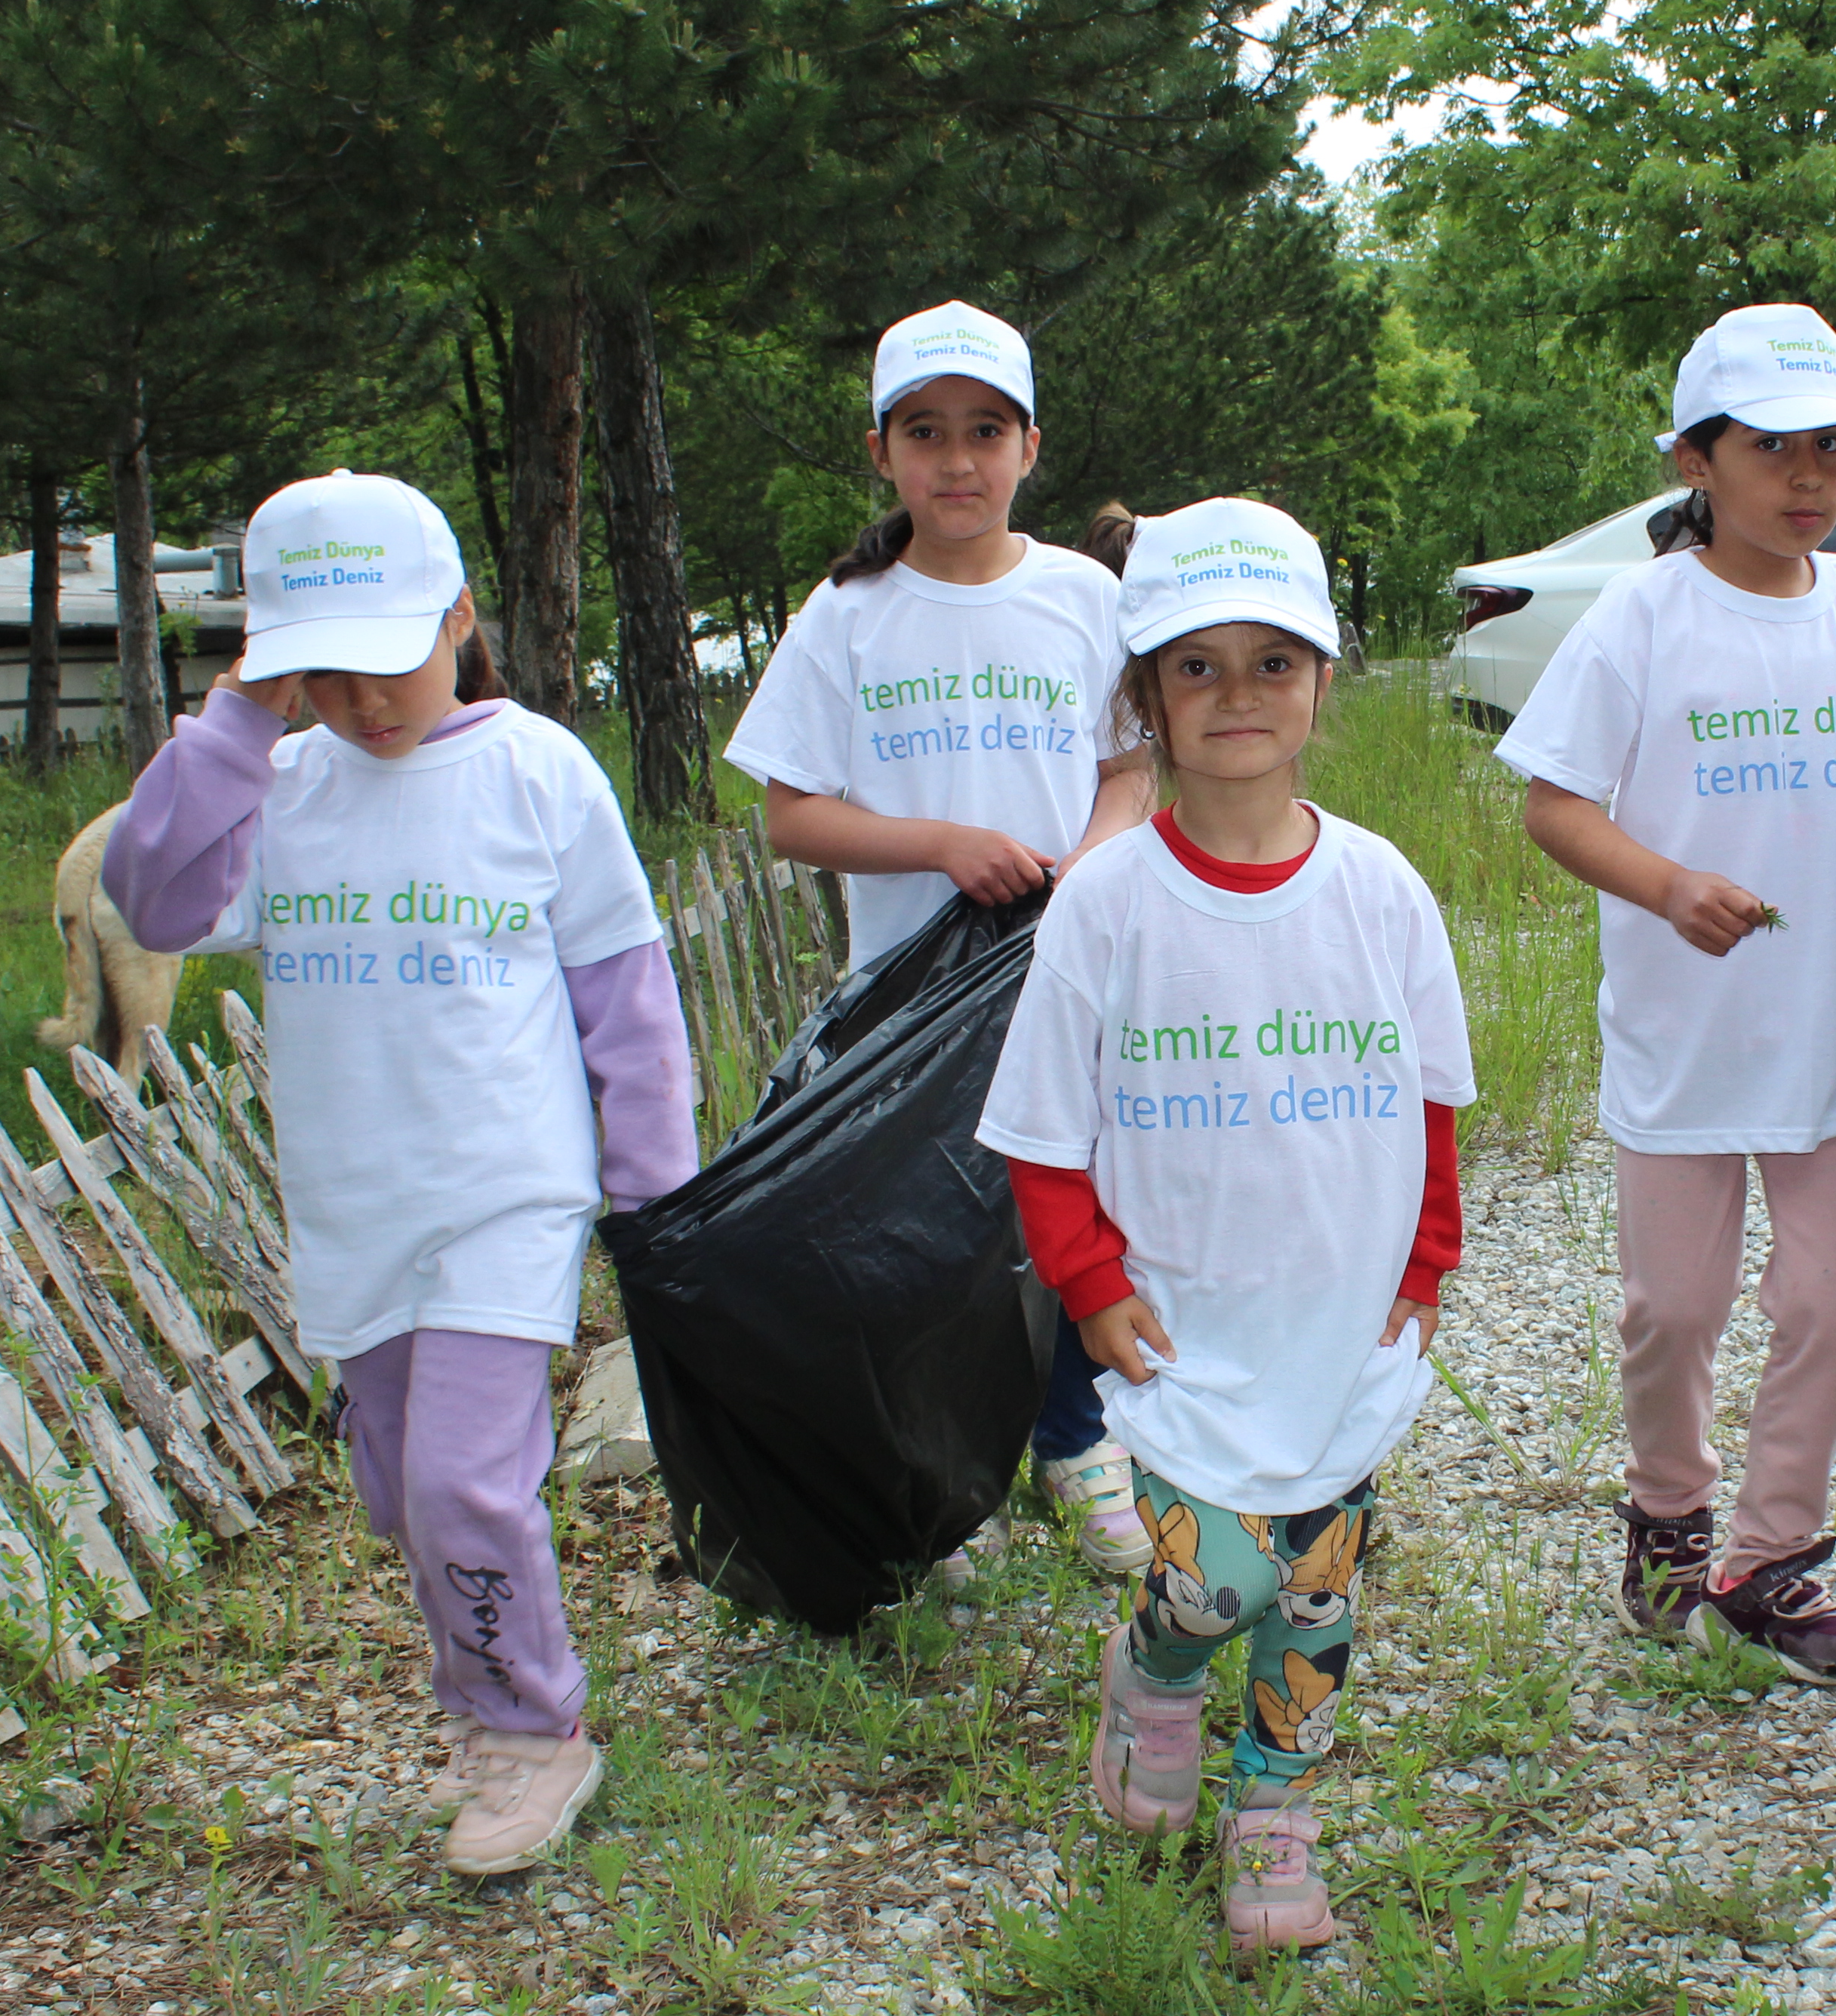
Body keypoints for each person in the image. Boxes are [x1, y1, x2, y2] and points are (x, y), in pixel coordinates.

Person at [105, 469, 697, 1876]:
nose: (369, 703)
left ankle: (528, 1732)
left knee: (459, 1488)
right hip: (356, 1205)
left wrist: (654, 1193)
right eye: (323, 671)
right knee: (398, 1491)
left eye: (393, 660)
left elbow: (623, 987)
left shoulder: (534, 771)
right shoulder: (284, 785)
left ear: (459, 617)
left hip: (505, 1191)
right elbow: (156, 896)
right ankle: (493, 1661)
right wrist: (241, 723)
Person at [1498, 303, 1836, 1688]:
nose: (1806, 478)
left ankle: (1768, 1557)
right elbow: (1554, 807)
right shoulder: (1642, 617)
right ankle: (1668, 1509)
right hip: (1686, 1041)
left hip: (1829, 1036)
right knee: (1671, 1307)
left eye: (1830, 452)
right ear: (1695, 461)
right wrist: (1668, 885)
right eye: (1771, 447)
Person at [976, 499, 1474, 1954]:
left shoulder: (1378, 889)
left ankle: (1276, 1812)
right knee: (1218, 1573)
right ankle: (1154, 1671)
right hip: (1183, 1320)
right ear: (1145, 696)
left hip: (1341, 1317)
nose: (1238, 696)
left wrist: (1424, 1259)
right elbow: (1042, 1133)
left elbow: (1433, 1098)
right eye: (1197, 668)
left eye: (1273, 661)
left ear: (1322, 677)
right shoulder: (1106, 908)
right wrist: (1085, 1282)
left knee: (1318, 1581)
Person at [721, 300, 1158, 1574]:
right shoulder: (847, 614)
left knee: (1071, 1208)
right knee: (920, 1233)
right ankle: (928, 1471)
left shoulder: (1083, 599)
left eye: (983, 431)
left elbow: (1127, 769)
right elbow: (791, 817)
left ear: (1029, 446)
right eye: (925, 433)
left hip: (1064, 973)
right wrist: (941, 846)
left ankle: (1079, 1444)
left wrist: (1086, 870)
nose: (955, 461)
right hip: (909, 1000)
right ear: (881, 454)